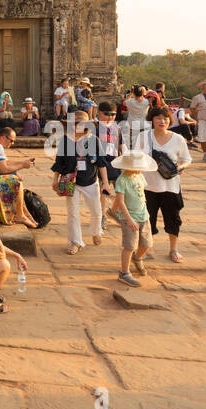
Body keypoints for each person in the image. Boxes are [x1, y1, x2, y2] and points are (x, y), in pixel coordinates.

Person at [51, 110, 112, 255]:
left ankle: (96, 231)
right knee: (73, 213)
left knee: (96, 211)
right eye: (75, 124)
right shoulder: (65, 141)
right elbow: (59, 162)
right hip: (71, 181)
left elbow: (101, 163)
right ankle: (75, 241)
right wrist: (55, 179)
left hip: (90, 181)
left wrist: (106, 182)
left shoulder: (93, 140)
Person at [144, 106, 192, 263]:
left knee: (173, 218)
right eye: (158, 118)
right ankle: (148, 247)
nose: (162, 121)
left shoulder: (177, 139)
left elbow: (187, 159)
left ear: (170, 120)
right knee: (146, 218)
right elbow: (136, 158)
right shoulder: (144, 137)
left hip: (170, 186)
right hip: (147, 185)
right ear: (151, 120)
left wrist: (181, 167)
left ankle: (173, 249)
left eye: (165, 118)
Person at [111, 150, 157, 287]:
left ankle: (137, 259)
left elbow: (141, 194)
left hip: (144, 215)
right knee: (129, 245)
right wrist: (129, 219)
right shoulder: (122, 180)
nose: (140, 170)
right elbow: (120, 201)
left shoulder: (140, 177)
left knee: (147, 243)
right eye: (138, 168)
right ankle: (124, 272)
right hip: (130, 217)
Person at [93, 100, 124, 232]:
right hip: (100, 161)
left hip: (115, 160)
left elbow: (121, 145)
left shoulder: (117, 128)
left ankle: (113, 210)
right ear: (100, 114)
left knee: (121, 190)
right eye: (107, 114)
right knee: (103, 191)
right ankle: (102, 216)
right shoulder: (95, 127)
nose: (111, 117)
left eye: (113, 114)